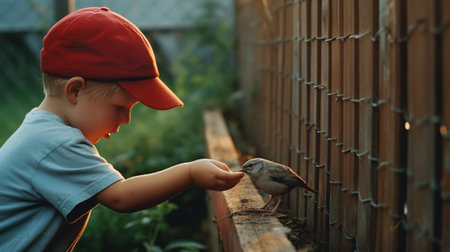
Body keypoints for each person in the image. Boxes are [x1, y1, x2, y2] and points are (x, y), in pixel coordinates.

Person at [0, 7, 244, 251]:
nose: (126, 119)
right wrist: (190, 172)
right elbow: (121, 197)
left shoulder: (41, 130)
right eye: (119, 107)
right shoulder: (56, 143)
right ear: (75, 91)